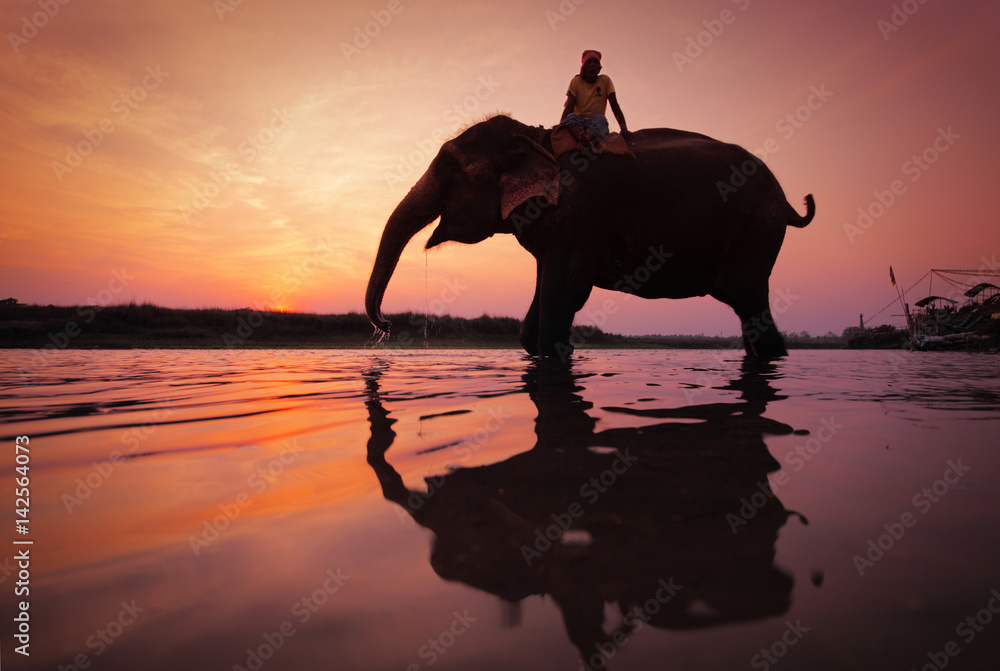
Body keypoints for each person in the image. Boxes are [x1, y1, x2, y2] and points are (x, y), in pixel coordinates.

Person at [560, 50, 632, 146]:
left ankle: (586, 139)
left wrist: (624, 129)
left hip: (595, 123)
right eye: (589, 62)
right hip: (579, 123)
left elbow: (615, 106)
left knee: (601, 119)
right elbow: (569, 106)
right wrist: (559, 127)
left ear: (599, 68)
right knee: (571, 117)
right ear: (583, 67)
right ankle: (581, 136)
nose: (593, 64)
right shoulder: (576, 81)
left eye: (596, 62)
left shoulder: (605, 80)